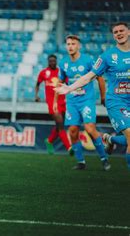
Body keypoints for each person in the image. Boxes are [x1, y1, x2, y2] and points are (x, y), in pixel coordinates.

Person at [56, 22, 130, 170]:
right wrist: (69, 88)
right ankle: (83, 161)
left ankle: (110, 139)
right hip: (116, 101)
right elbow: (89, 77)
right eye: (115, 32)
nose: (119, 33)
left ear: (129, 32)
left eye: (122, 30)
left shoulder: (87, 59)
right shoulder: (108, 56)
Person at [55, 35, 110, 170]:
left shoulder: (88, 60)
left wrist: (103, 97)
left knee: (89, 128)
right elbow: (60, 83)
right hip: (72, 102)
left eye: (73, 44)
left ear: (78, 46)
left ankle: (104, 158)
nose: (70, 46)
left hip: (87, 100)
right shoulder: (63, 63)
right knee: (73, 131)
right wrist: (55, 101)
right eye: (68, 44)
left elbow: (100, 79)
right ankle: (81, 162)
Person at [35, 54, 72, 155]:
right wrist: (36, 95)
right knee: (60, 126)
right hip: (52, 102)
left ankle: (50, 140)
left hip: (62, 101)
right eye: (50, 61)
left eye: (54, 61)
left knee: (59, 124)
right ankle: (69, 147)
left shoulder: (61, 72)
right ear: (48, 62)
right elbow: (37, 84)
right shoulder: (43, 72)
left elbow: (68, 84)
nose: (52, 63)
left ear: (56, 62)